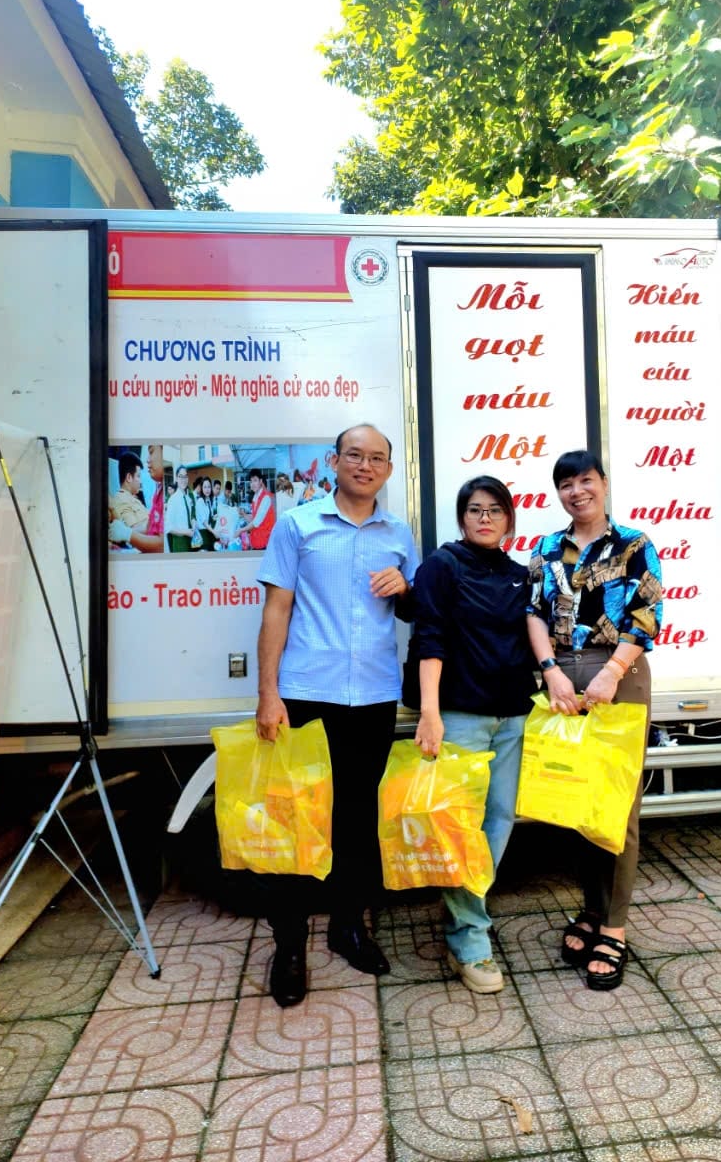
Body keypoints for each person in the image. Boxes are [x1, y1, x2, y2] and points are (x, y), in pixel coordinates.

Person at [255, 423, 419, 1008]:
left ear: (388, 469)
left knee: (356, 820)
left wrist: (404, 587)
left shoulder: (399, 534)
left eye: (378, 458)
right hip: (307, 693)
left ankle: (348, 927)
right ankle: (290, 944)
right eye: (356, 455)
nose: (366, 465)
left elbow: (412, 613)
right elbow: (277, 610)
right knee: (296, 821)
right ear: (335, 461)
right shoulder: (298, 525)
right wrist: (267, 694)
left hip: (372, 696)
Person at [527, 449, 663, 991]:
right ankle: (589, 909)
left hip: (620, 677)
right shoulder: (544, 548)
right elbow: (533, 614)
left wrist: (609, 672)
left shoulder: (634, 544)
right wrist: (549, 672)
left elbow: (647, 614)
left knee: (619, 805)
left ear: (603, 484)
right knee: (578, 801)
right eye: (566, 483)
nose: (576, 491)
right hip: (562, 676)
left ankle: (614, 927)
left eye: (585, 480)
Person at [410, 476, 535, 993]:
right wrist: (430, 712)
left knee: (499, 821)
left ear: (509, 520)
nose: (485, 518)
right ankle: (470, 938)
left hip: (513, 717)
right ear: (462, 519)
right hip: (461, 714)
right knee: (461, 828)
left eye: (495, 510)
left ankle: (466, 917)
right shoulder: (443, 564)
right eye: (475, 510)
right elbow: (429, 636)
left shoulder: (518, 573)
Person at [108, 444, 164, 553]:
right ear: (129, 477)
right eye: (138, 476)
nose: (141, 481)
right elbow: (133, 531)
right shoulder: (121, 499)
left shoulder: (136, 499)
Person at [238, 470, 275, 549]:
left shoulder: (266, 497)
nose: (252, 484)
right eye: (251, 481)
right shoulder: (256, 496)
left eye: (255, 480)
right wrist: (244, 515)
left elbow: (255, 523)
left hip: (265, 543)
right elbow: (254, 517)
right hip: (257, 542)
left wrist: (241, 530)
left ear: (260, 481)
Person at [165, 465, 196, 553]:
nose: (183, 479)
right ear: (177, 478)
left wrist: (193, 523)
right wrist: (185, 532)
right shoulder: (173, 499)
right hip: (180, 544)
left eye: (185, 476)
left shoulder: (188, 497)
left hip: (191, 542)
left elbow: (191, 516)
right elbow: (169, 527)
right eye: (181, 476)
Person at [193, 475, 218, 551]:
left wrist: (217, 516)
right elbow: (204, 522)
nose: (207, 489)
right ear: (201, 488)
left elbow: (210, 517)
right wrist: (214, 532)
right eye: (205, 487)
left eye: (209, 487)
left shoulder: (208, 500)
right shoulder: (200, 501)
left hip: (209, 532)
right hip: (203, 534)